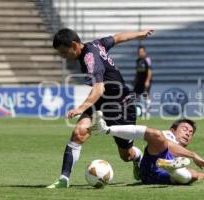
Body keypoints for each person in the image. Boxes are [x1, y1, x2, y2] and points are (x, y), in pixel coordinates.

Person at [47, 28, 154, 188]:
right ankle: (64, 179)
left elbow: (99, 88)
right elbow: (117, 37)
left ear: (75, 45)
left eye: (64, 52)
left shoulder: (89, 58)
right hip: (102, 102)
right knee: (78, 133)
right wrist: (139, 34)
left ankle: (138, 158)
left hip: (121, 104)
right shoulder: (97, 44)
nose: (63, 56)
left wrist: (80, 108)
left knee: (126, 154)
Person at [92, 111, 204, 184]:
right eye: (185, 129)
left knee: (192, 174)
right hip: (151, 165)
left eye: (191, 132)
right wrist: (193, 155)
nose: (188, 133)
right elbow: (167, 145)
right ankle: (106, 129)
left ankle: (171, 168)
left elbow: (197, 176)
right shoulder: (168, 135)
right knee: (156, 135)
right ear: (173, 130)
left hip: (159, 177)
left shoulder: (182, 154)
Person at [133, 46, 152, 119]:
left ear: (145, 52)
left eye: (142, 52)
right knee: (136, 96)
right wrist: (135, 80)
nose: (140, 53)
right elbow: (137, 72)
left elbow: (150, 71)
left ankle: (147, 112)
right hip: (139, 81)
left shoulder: (147, 59)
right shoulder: (138, 60)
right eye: (139, 52)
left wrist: (147, 81)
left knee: (145, 95)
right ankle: (140, 111)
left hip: (145, 81)